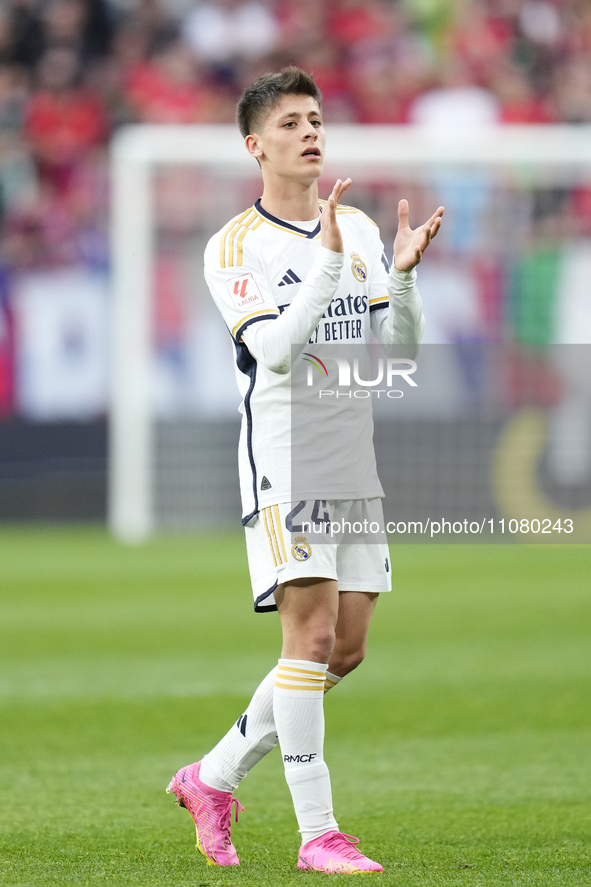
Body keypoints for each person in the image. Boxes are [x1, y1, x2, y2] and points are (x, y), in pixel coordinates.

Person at [167, 66, 443, 875]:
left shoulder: (358, 227)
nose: (310, 132)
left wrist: (401, 275)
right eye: (290, 122)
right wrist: (324, 263)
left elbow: (400, 352)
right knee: (310, 633)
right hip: (285, 460)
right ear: (256, 145)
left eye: (315, 118)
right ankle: (318, 832)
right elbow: (274, 351)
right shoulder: (234, 246)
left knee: (343, 650)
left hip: (352, 457)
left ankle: (211, 777)